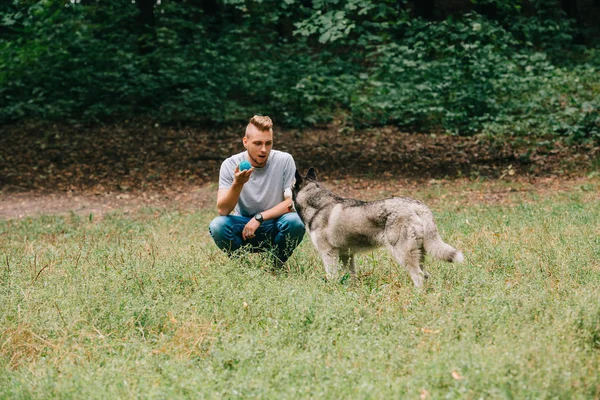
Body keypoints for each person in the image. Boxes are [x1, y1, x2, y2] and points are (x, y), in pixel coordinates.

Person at [208, 115, 305, 266]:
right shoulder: (230, 164)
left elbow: (292, 202)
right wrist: (237, 184)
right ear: (245, 142)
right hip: (243, 227)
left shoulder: (284, 160)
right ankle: (245, 268)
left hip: (275, 225)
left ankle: (276, 264)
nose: (264, 149)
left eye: (268, 143)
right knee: (218, 225)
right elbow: (223, 210)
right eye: (258, 143)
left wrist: (259, 218)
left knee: (296, 222)